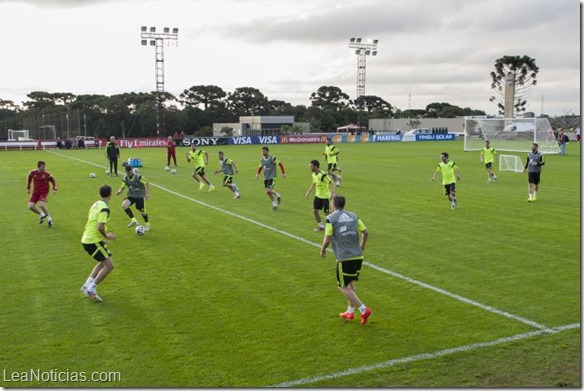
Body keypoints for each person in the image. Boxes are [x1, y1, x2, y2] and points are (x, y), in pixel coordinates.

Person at [319, 195, 371, 325]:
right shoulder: (353, 215)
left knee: (342, 286)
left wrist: (323, 249)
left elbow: (328, 238)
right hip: (358, 256)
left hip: (345, 257)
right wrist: (362, 246)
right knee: (349, 284)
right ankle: (350, 311)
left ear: (333, 204)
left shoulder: (330, 218)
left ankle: (363, 310)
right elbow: (365, 232)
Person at [80, 184, 116, 303]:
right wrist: (107, 236)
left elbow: (92, 223)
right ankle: (92, 288)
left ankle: (86, 286)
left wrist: (101, 239)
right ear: (110, 195)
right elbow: (100, 226)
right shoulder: (105, 208)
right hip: (92, 241)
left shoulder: (96, 204)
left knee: (102, 262)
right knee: (110, 265)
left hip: (88, 238)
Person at [115, 165, 151, 230]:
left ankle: (147, 223)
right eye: (128, 172)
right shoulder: (125, 178)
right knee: (124, 205)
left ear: (132, 170)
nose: (129, 173)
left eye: (130, 172)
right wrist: (119, 191)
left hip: (140, 196)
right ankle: (134, 220)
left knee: (142, 213)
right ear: (126, 172)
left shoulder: (138, 177)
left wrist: (147, 194)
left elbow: (147, 183)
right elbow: (122, 187)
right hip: (131, 195)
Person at [305, 159, 335, 231]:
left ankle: (335, 214)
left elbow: (331, 182)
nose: (310, 167)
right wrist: (308, 191)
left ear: (316, 166)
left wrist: (332, 192)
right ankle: (321, 226)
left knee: (327, 214)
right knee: (315, 211)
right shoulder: (313, 174)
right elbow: (314, 183)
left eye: (311, 166)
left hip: (325, 196)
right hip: (318, 196)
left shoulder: (323, 175)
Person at [26, 160, 57, 227]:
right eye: (42, 167)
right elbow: (29, 178)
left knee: (41, 205)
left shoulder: (47, 174)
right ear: (38, 167)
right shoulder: (33, 173)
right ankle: (42, 215)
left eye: (44, 167)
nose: (44, 168)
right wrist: (28, 188)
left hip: (44, 192)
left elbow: (53, 181)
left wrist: (54, 189)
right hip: (35, 192)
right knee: (30, 206)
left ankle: (49, 219)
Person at [256, 146, 286, 211]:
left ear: (267, 151)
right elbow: (260, 167)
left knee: (268, 190)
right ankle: (274, 205)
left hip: (272, 176)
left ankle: (278, 195)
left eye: (264, 151)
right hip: (266, 177)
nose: (262, 152)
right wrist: (257, 174)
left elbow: (280, 164)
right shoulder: (261, 160)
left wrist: (283, 172)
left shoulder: (273, 158)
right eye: (262, 151)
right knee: (267, 192)